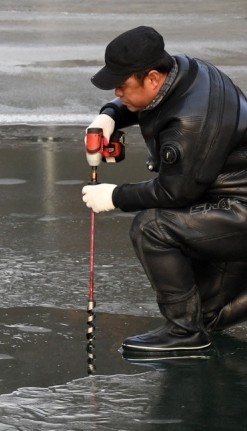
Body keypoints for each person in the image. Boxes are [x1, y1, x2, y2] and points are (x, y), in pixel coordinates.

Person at [81, 26, 247, 354]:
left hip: (238, 209)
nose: (117, 91)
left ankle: (183, 332)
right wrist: (110, 115)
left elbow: (174, 194)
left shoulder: (190, 122)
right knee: (210, 315)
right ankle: (194, 325)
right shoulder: (186, 71)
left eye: (122, 85)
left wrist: (114, 196)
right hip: (227, 196)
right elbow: (139, 102)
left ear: (153, 78)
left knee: (151, 227)